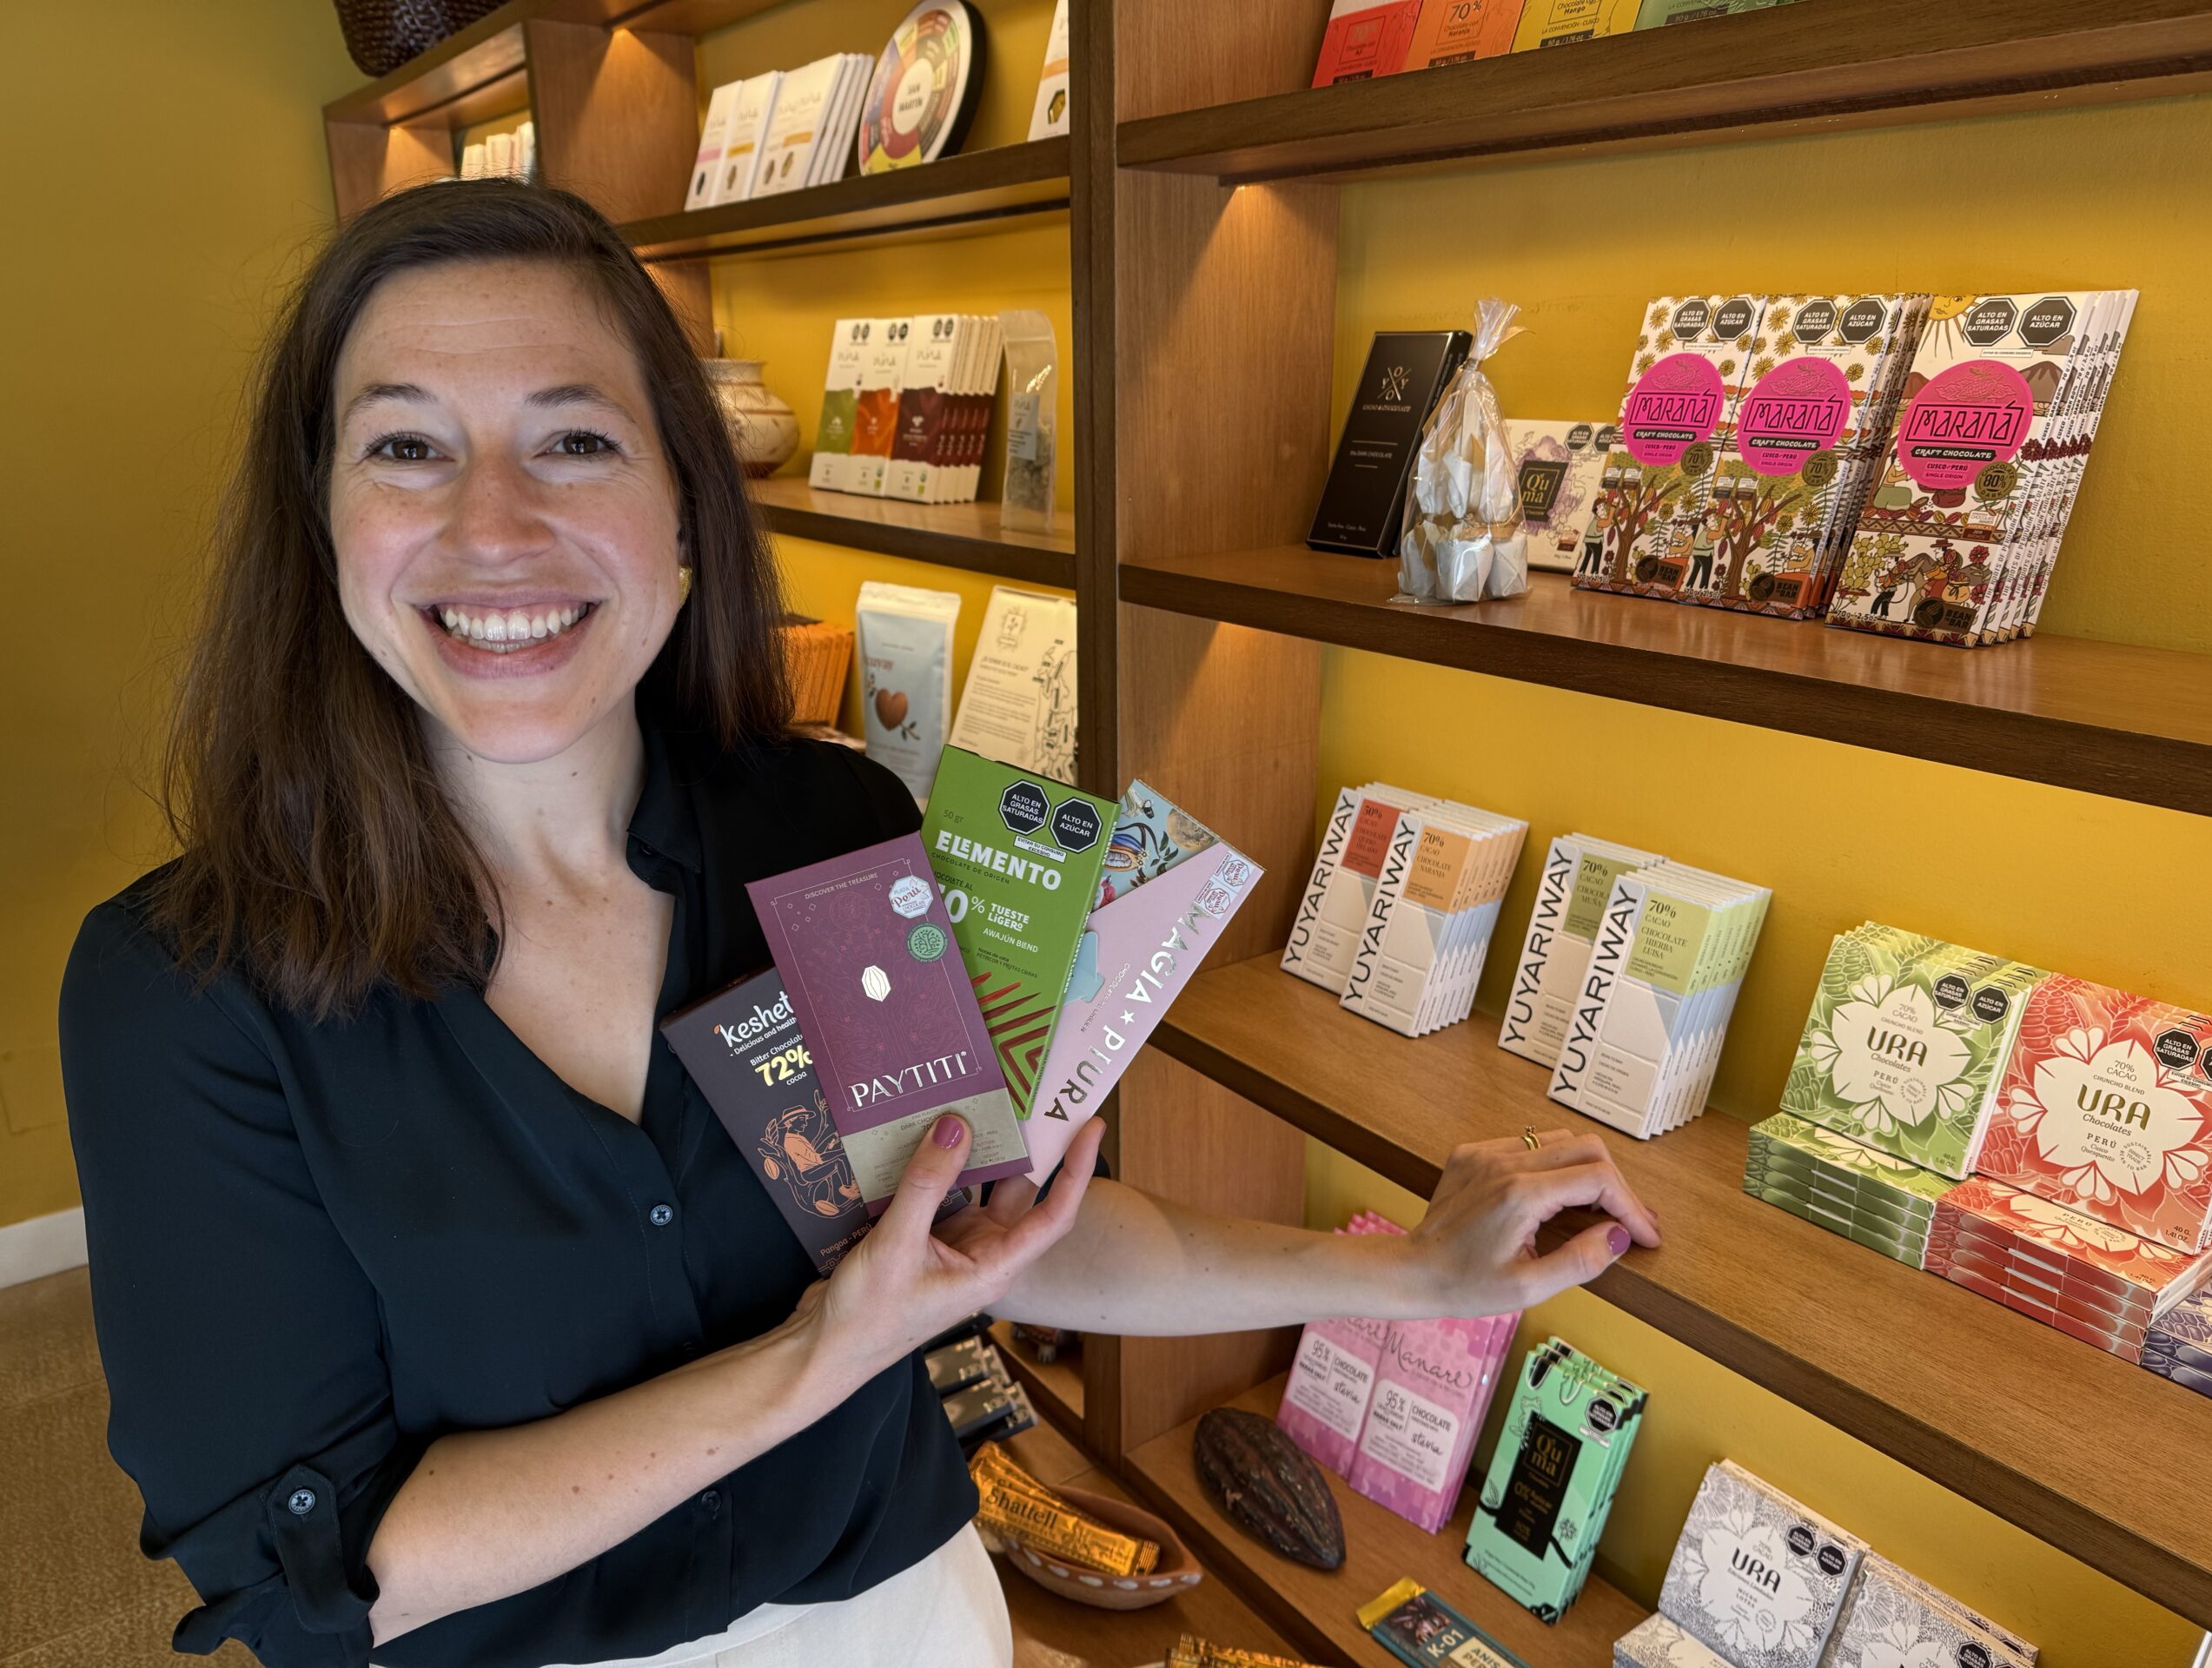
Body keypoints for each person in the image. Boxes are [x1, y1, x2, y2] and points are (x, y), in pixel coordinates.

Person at [57, 182, 1659, 1668]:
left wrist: (1410, 1277)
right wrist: (825, 1355)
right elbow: (323, 1571)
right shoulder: (185, 1000)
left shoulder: (829, 834)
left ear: (686, 512)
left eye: (574, 442)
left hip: (901, 1620)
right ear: (320, 520)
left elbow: (968, 1230)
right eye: (406, 448)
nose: (492, 527)